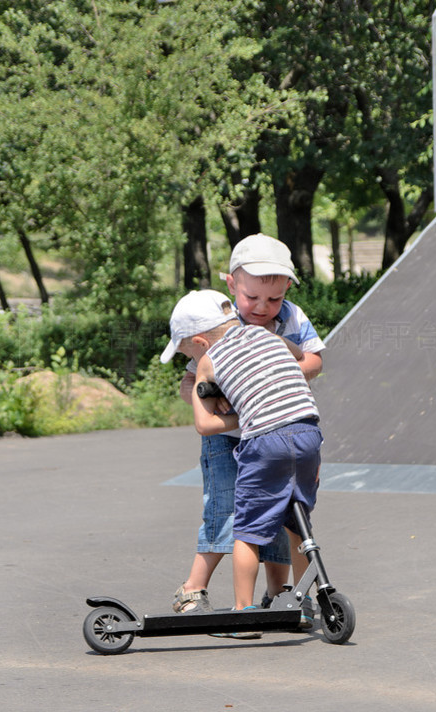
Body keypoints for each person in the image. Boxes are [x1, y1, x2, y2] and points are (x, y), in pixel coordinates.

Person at [163, 234, 324, 630]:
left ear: (287, 289)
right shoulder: (218, 322)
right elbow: (191, 384)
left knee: (281, 518)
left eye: (274, 300)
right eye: (253, 298)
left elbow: (314, 361)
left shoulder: (292, 319)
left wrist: (265, 381)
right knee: (229, 513)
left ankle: (281, 594)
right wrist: (216, 397)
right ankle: (193, 588)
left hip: (274, 430)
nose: (264, 309)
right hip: (227, 439)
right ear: (233, 287)